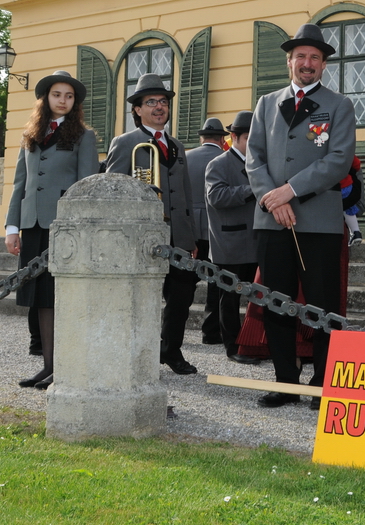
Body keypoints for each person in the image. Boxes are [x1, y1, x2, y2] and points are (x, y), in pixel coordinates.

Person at [247, 23, 356, 407]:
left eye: (314, 57)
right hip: (271, 220)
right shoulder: (266, 103)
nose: (306, 63)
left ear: (323, 64)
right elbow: (253, 158)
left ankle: (324, 380)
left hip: (318, 221)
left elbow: (338, 160)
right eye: (300, 57)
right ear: (289, 62)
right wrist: (272, 200)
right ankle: (285, 382)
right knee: (276, 302)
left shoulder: (339, 105)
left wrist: (289, 191)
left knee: (323, 304)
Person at [4, 71, 99, 389]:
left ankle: (66, 368)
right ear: (46, 98)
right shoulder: (30, 135)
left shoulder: (84, 136)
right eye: (57, 94)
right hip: (32, 225)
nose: (63, 100)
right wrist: (12, 227)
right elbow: (20, 184)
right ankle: (48, 366)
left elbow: (86, 186)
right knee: (42, 299)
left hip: (64, 227)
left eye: (69, 96)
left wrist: (80, 227)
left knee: (62, 298)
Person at [105, 72, 202, 376]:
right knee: (142, 299)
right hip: (143, 237)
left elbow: (186, 193)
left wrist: (191, 237)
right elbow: (113, 190)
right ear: (137, 109)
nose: (159, 107)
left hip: (179, 238)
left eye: (163, 102)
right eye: (151, 102)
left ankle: (171, 350)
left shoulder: (177, 146)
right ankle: (137, 354)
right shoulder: (125, 143)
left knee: (181, 299)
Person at [204, 111, 260, 365]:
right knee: (229, 298)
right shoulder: (218, 163)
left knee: (260, 297)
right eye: (249, 138)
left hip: (257, 240)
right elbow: (216, 197)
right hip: (230, 243)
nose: (254, 143)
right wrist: (252, 190)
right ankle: (232, 347)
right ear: (234, 137)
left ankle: (255, 343)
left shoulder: (260, 162)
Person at [187, 117, 228, 345]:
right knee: (216, 284)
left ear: (202, 137)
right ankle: (211, 332)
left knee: (184, 283)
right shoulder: (225, 159)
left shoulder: (186, 157)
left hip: (190, 228)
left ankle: (173, 331)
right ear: (222, 139)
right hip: (217, 229)